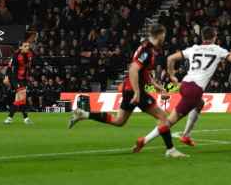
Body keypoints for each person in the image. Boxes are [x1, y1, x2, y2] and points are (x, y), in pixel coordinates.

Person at [133, 26, 231, 158]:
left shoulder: (194, 48)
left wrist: (172, 75)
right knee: (169, 121)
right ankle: (144, 140)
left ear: (202, 37)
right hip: (194, 90)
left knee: (199, 103)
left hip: (185, 85)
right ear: (214, 37)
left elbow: (170, 58)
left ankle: (186, 135)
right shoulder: (218, 50)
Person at [68, 25, 176, 156]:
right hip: (134, 90)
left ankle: (84, 114)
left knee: (119, 121)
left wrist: (155, 85)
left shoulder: (145, 47)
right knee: (163, 117)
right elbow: (133, 69)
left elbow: (143, 72)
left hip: (129, 88)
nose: (164, 38)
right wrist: (137, 92)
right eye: (164, 35)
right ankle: (170, 150)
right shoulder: (147, 51)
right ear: (159, 35)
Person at [3, 42, 34, 124]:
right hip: (16, 79)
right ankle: (23, 118)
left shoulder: (30, 54)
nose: (27, 47)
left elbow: (28, 66)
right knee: (21, 97)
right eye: (25, 46)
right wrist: (6, 77)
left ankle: (13, 118)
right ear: (20, 47)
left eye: (28, 46)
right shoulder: (16, 55)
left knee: (20, 99)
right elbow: (9, 67)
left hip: (24, 79)